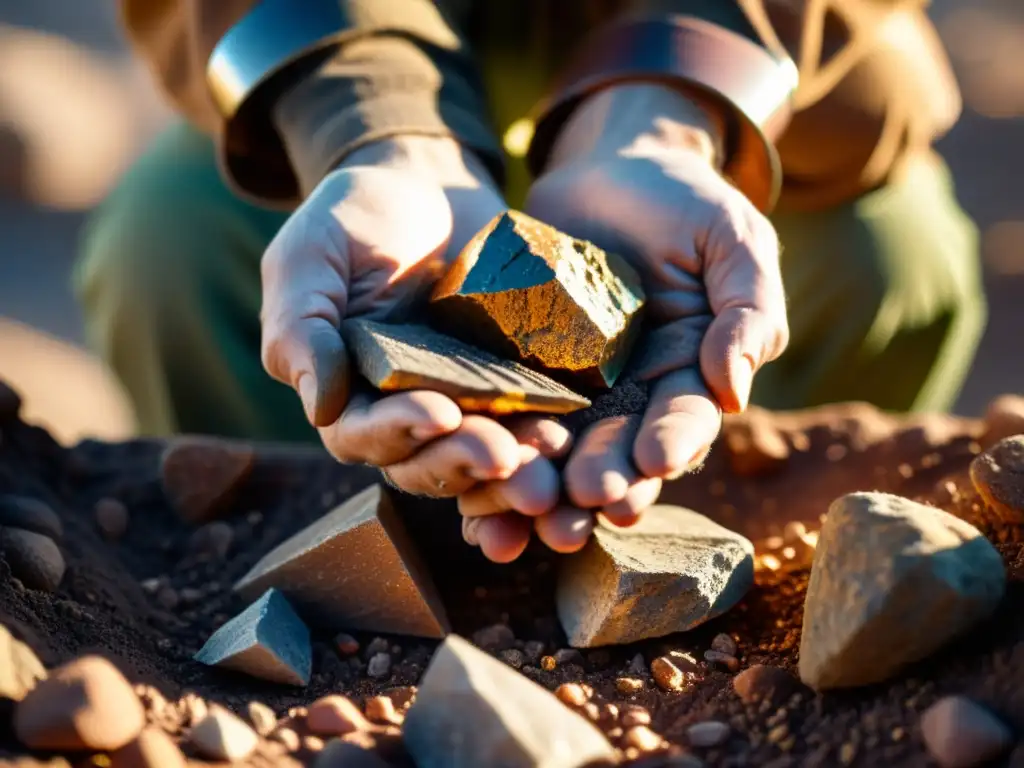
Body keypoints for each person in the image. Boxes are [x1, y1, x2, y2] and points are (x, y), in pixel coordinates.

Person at [78, 0, 984, 562]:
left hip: (735, 67)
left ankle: (742, 539)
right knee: (166, 241)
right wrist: (371, 123)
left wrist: (664, 112)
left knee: (891, 254)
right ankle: (300, 553)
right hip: (353, 49)